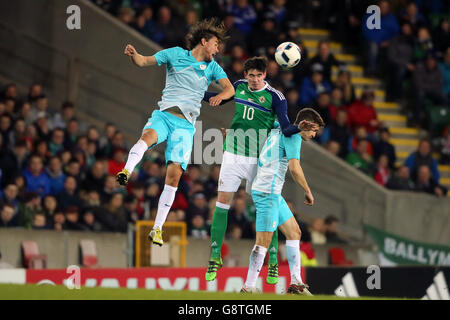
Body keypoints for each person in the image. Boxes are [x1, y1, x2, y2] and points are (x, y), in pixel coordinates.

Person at [116, 18, 235, 246]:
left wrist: (221, 95)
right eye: (215, 44)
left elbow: (230, 88)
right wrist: (134, 55)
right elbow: (143, 61)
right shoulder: (175, 54)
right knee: (147, 138)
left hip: (185, 126)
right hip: (164, 115)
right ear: (204, 41)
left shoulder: (213, 68)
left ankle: (157, 228)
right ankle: (126, 171)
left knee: (174, 176)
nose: (218, 49)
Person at [203, 57, 316, 284]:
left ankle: (272, 260)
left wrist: (299, 128)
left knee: (264, 206)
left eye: (258, 75)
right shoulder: (238, 87)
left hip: (258, 158)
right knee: (222, 202)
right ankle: (215, 256)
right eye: (250, 75)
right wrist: (193, 91)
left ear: (265, 75)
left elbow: (284, 127)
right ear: (245, 75)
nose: (254, 80)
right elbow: (217, 99)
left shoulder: (276, 97)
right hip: (233, 153)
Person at [241, 108, 324, 295]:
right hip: (266, 191)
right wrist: (307, 190)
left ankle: (296, 283)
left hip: (271, 192)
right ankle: (248, 287)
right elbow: (295, 168)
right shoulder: (294, 137)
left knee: (295, 232)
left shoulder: (279, 127)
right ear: (306, 125)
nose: (314, 134)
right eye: (314, 130)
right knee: (264, 240)